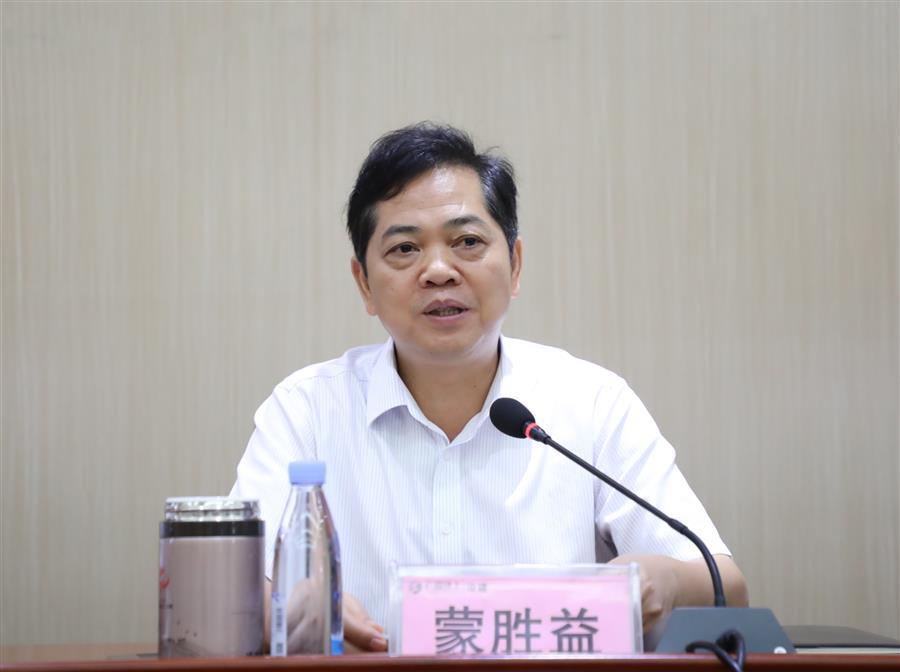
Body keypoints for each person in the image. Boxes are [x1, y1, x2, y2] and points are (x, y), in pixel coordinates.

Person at [229, 123, 749, 653]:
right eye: (405, 248)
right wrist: (296, 606)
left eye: (468, 242)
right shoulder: (306, 410)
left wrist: (667, 580)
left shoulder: (590, 403)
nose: (438, 271)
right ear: (364, 282)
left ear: (515, 264)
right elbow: (233, 594)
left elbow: (726, 585)